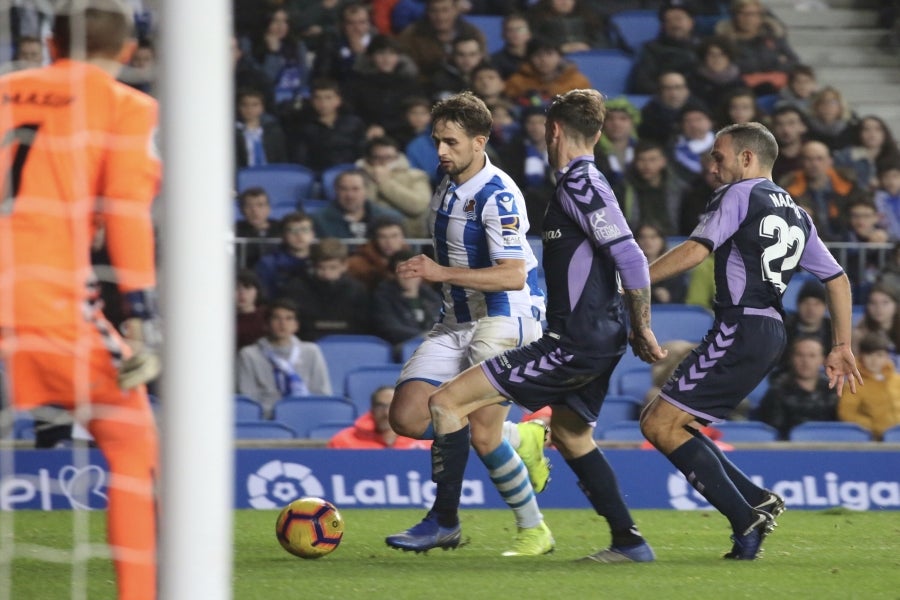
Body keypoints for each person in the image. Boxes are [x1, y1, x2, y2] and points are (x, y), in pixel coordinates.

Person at [405, 89, 665, 563]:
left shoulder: (580, 185)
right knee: (569, 435)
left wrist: (642, 326)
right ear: (599, 133)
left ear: (553, 131)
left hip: (569, 338)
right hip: (591, 336)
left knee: (446, 404)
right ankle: (629, 542)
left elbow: (630, 255)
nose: (442, 151)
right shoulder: (579, 182)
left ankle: (445, 520)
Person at [642, 121, 862, 560]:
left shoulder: (737, 195)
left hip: (741, 326)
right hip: (770, 330)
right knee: (669, 420)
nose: (712, 163)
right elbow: (837, 279)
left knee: (658, 426)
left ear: (747, 158)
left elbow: (697, 249)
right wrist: (841, 344)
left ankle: (745, 519)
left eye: (719, 155)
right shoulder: (798, 213)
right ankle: (755, 500)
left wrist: (633, 280)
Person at [0, 2, 161, 598]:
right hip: (42, 296)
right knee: (131, 441)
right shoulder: (126, 106)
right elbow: (126, 217)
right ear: (125, 53)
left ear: (48, 43)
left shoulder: (5, 88)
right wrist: (140, 319)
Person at [384, 92, 553, 557]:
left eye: (451, 142)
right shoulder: (447, 183)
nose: (441, 151)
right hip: (457, 318)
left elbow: (513, 273)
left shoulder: (498, 195)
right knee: (406, 416)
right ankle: (525, 437)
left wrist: (439, 272)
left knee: (472, 426)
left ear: (480, 142)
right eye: (437, 140)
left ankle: (523, 528)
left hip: (506, 316)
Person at [237, 298, 332, 417]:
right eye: (276, 318)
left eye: (289, 318)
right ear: (266, 324)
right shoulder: (249, 354)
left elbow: (322, 393)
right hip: (267, 419)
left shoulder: (311, 351)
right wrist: (282, 413)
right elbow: (248, 398)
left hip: (306, 414)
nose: (283, 324)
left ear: (296, 326)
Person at [284, 237, 372, 340]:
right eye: (321, 267)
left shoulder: (357, 290)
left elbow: (363, 325)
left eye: (333, 267)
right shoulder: (296, 288)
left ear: (344, 266)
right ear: (313, 265)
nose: (327, 273)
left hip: (347, 344)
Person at [754, 336, 839, 440]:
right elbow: (773, 432)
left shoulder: (832, 391)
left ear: (822, 360)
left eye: (812, 356)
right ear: (791, 358)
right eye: (800, 355)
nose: (805, 361)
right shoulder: (777, 393)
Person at [355, 135, 432, 238]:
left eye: (388, 157)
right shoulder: (357, 177)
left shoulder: (416, 176)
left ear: (397, 157)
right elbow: (357, 207)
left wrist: (384, 183)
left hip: (409, 237)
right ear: (368, 159)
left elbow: (418, 206)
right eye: (377, 158)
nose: (383, 162)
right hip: (367, 236)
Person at [372, 249, 443, 347]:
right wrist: (422, 336)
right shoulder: (383, 297)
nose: (409, 275)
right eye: (402, 271)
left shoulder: (433, 297)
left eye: (414, 270)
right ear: (393, 275)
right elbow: (390, 328)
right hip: (400, 349)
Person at [629, 0, 701, 95]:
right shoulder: (651, 49)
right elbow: (642, 82)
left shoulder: (702, 47)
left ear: (691, 22)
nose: (675, 24)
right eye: (668, 20)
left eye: (679, 19)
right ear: (662, 25)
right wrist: (669, 92)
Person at [839, 332, 900, 441]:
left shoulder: (897, 380)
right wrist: (873, 426)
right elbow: (847, 413)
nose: (874, 360)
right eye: (869, 355)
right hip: (873, 439)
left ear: (887, 357)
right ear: (861, 356)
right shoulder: (854, 384)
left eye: (879, 355)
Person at [329, 385, 432, 448]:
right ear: (372, 410)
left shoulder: (426, 441)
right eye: (380, 406)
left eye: (393, 406)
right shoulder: (344, 441)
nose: (386, 413)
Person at [313, 168, 405, 239]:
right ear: (336, 191)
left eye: (355, 189)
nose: (349, 195)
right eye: (344, 189)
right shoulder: (319, 220)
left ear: (366, 191)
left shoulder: (389, 218)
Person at [254, 211, 316, 299]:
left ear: (312, 234)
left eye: (304, 230)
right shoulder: (268, 264)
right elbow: (264, 296)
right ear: (283, 235)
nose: (299, 235)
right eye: (292, 231)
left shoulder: (321, 262)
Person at [234, 87, 288, 168]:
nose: (249, 109)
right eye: (244, 105)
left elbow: (281, 159)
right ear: (238, 107)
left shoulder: (273, 132)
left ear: (262, 108)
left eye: (254, 105)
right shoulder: (233, 134)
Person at [236, 269, 268, 350]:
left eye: (247, 287)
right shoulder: (221, 320)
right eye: (236, 288)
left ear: (257, 291)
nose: (242, 293)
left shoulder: (268, 316)